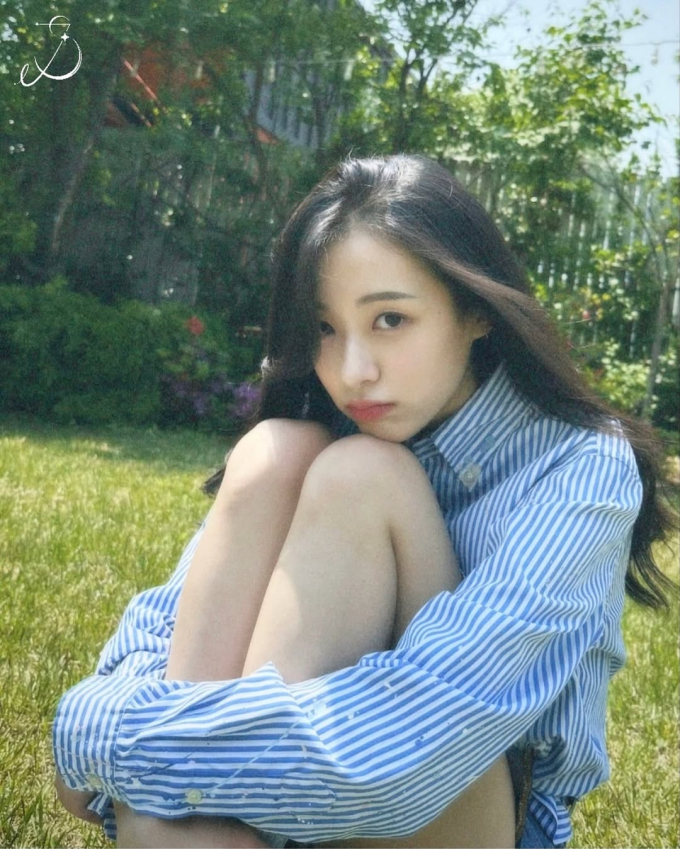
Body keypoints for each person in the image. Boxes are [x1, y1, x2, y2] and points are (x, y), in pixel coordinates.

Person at [53, 154, 675, 849]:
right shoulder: (322, 436)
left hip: (453, 791)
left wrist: (114, 743)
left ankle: (181, 827)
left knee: (364, 475)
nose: (353, 371)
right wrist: (138, 738)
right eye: (325, 328)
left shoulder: (582, 465)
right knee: (274, 450)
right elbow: (169, 622)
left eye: (389, 319)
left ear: (476, 310)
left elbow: (416, 739)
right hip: (287, 780)